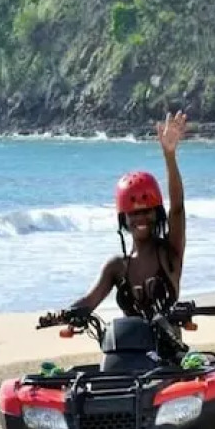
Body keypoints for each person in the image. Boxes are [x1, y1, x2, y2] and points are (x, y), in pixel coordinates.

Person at [69, 111, 188, 320]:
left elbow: (177, 207)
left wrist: (169, 156)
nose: (140, 218)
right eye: (133, 214)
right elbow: (90, 301)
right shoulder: (116, 267)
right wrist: (64, 315)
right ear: (124, 218)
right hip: (128, 350)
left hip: (168, 350)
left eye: (146, 211)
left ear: (157, 213)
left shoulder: (169, 253)